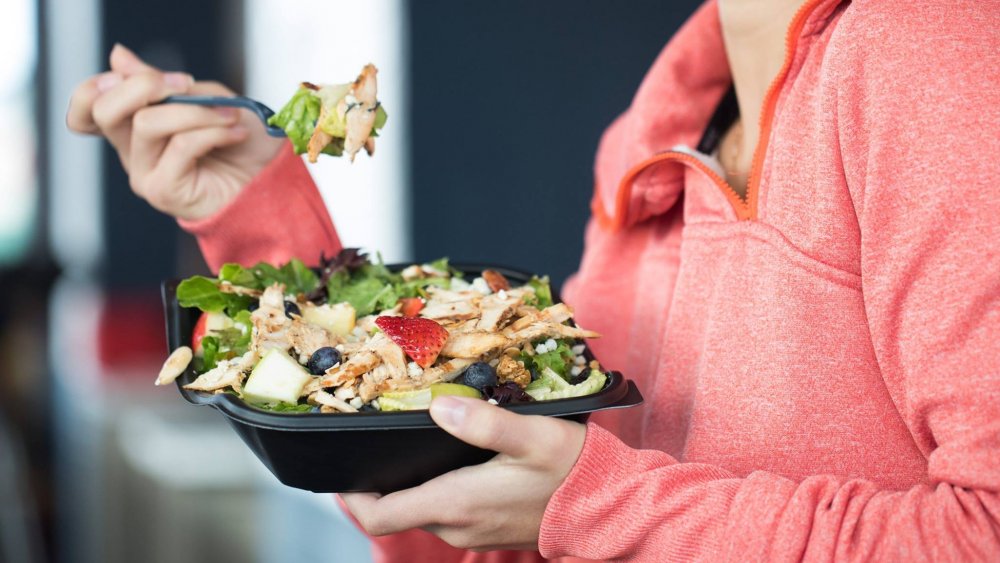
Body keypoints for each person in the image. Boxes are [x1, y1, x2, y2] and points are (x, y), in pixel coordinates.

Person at [68, 0, 999, 560]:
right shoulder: (667, 127)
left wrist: (598, 505)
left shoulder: (938, 62)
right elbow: (503, 528)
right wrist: (258, 217)